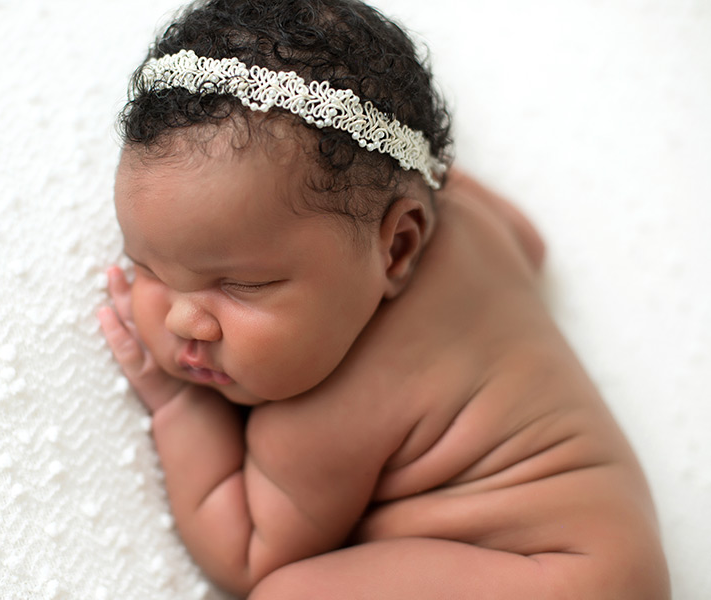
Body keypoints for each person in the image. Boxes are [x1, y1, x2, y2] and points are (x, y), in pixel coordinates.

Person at [96, 0, 670, 597]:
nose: (184, 320)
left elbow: (246, 556)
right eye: (147, 269)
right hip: (613, 555)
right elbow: (530, 243)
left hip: (550, 575)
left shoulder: (320, 415)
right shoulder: (469, 217)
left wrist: (176, 406)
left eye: (242, 285)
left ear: (398, 246)